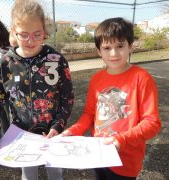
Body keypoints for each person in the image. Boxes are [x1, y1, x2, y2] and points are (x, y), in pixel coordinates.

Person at [0, 0, 74, 180]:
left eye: (37, 34)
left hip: (52, 134)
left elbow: (67, 97)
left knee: (56, 174)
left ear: (45, 31)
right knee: (28, 175)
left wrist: (58, 125)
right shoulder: (5, 64)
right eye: (23, 35)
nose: (30, 40)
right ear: (13, 31)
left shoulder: (56, 60)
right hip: (22, 137)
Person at [61, 17, 161, 180]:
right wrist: (72, 132)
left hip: (125, 161)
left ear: (130, 46)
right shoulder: (96, 79)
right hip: (98, 155)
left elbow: (152, 123)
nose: (114, 53)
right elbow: (89, 115)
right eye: (107, 48)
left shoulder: (142, 78)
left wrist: (121, 139)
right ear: (99, 51)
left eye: (120, 46)